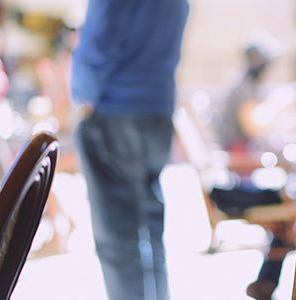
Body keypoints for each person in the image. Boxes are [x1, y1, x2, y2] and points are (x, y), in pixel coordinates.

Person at [70, 1, 188, 299]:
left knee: (119, 241)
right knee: (151, 233)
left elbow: (100, 38)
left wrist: (82, 91)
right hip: (157, 112)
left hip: (116, 111)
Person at [210, 43, 295, 300]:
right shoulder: (244, 90)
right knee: (290, 204)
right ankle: (267, 282)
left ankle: (266, 283)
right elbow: (253, 128)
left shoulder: (243, 87)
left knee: (289, 202)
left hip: (236, 177)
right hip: (236, 182)